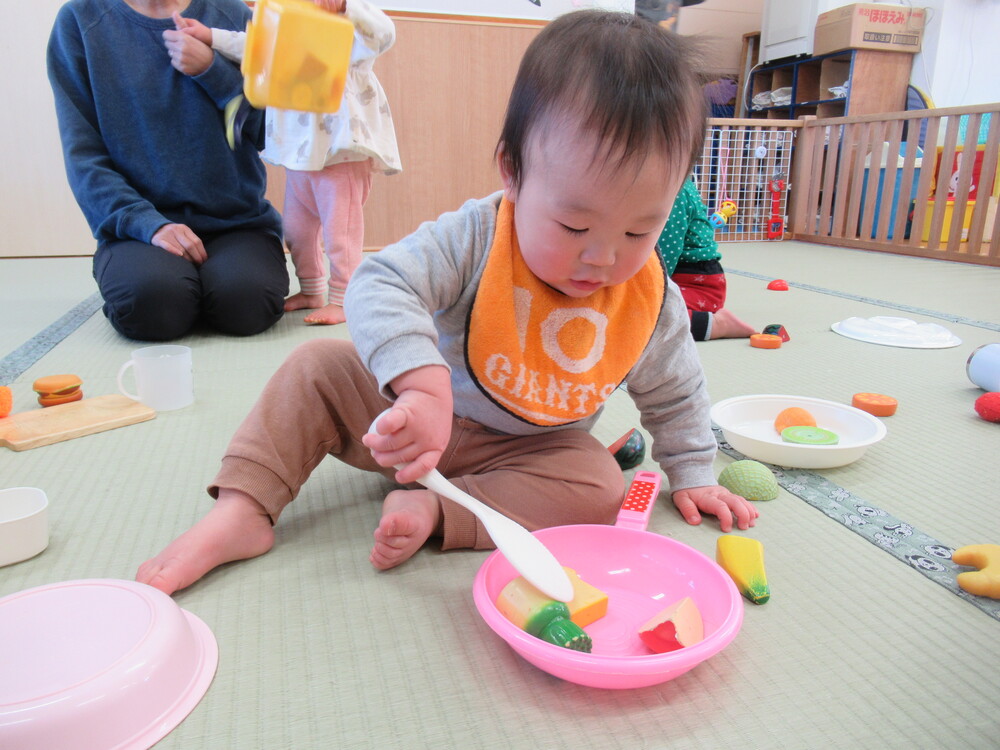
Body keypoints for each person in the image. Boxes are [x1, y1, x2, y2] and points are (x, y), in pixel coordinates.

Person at [137, 10, 758, 596]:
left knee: (596, 483)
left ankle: (441, 508)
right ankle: (244, 509)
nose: (603, 258)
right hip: (407, 426)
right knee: (314, 368)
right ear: (513, 173)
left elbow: (675, 391)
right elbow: (381, 282)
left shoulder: (649, 296)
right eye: (574, 227)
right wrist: (420, 384)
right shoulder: (478, 235)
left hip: (527, 450)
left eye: (636, 233)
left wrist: (696, 472)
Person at [47, 0, 288, 342]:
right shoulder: (80, 21)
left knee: (247, 305)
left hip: (238, 224)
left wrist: (213, 72)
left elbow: (274, 133)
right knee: (154, 307)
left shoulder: (235, 17)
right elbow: (83, 156)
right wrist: (149, 225)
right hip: (140, 230)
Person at [179, 0, 401, 326]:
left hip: (340, 153)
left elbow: (385, 34)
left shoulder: (351, 26)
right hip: (300, 154)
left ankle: (344, 298)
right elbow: (254, 47)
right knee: (297, 231)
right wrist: (210, 35)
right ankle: (311, 289)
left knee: (341, 235)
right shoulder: (287, 20)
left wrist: (344, 8)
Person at [658, 179, 756, 340]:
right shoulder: (670, 185)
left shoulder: (674, 192)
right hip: (679, 278)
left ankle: (719, 325)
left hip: (698, 283)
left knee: (640, 316)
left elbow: (665, 256)